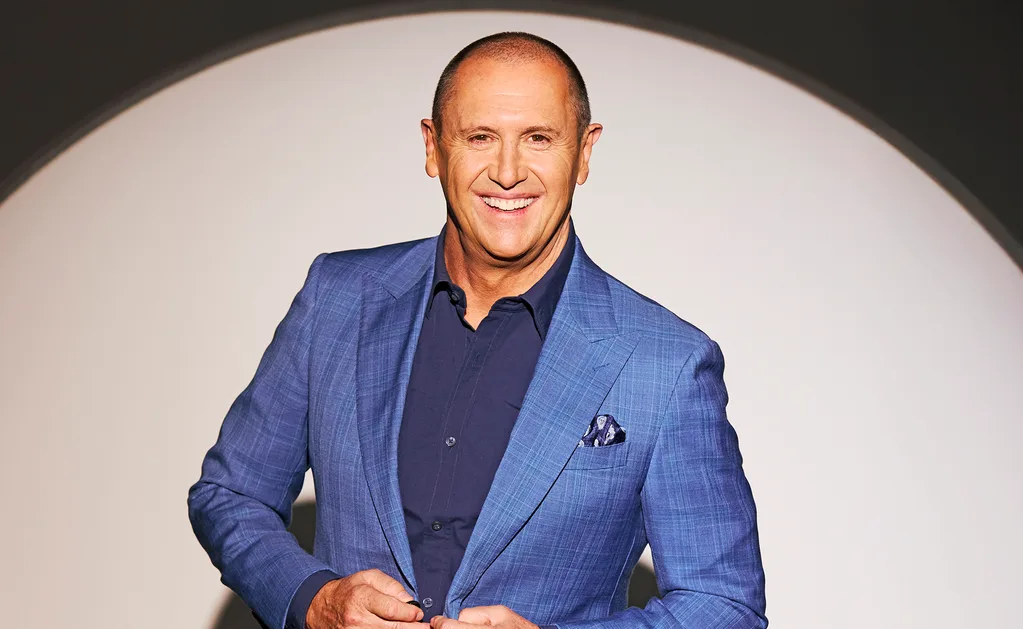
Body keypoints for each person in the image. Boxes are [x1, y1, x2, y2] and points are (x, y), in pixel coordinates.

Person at [188, 31, 767, 629]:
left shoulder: (665, 364)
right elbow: (230, 495)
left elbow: (723, 606)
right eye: (480, 137)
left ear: (585, 152)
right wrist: (313, 601)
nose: (508, 172)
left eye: (538, 139)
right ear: (433, 147)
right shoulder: (338, 300)